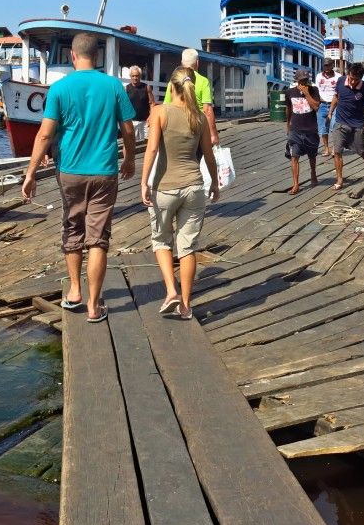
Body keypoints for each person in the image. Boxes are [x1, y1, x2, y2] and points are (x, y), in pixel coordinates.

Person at [21, 32, 137, 323]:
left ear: (72, 56)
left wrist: (31, 173)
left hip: (70, 171)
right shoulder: (113, 86)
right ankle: (95, 306)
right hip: (104, 170)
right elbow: (129, 129)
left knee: (73, 228)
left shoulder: (59, 89)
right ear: (96, 58)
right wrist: (130, 158)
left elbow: (46, 132)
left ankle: (74, 291)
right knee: (98, 238)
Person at [141, 67, 219, 320]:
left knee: (162, 241)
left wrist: (144, 182)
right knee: (188, 247)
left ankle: (171, 292)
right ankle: (186, 305)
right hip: (195, 187)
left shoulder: (160, 112)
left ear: (171, 87)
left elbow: (152, 151)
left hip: (165, 187)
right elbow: (208, 155)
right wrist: (215, 183)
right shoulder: (200, 117)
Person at [327, 64, 364, 190]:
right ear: (348, 74)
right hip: (340, 122)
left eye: (356, 79)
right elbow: (336, 97)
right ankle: (339, 179)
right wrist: (330, 112)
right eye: (351, 78)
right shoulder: (340, 81)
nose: (353, 81)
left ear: (361, 78)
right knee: (337, 151)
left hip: (357, 125)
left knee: (361, 150)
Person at [163, 48, 220, 146]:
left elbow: (166, 107)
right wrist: (213, 134)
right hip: (197, 128)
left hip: (176, 127)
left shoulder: (173, 81)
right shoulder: (203, 81)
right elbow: (207, 110)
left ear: (181, 63)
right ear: (197, 62)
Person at [284, 68, 321, 194]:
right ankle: (296, 184)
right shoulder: (289, 92)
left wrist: (306, 94)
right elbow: (289, 108)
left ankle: (313, 173)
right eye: (302, 80)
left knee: (312, 155)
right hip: (296, 129)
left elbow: (316, 107)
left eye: (306, 80)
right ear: (297, 80)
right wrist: (288, 124)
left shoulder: (314, 90)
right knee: (294, 157)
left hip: (311, 129)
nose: (304, 83)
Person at [317, 60, 342, 156]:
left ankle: (335, 148)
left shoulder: (338, 77)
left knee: (334, 127)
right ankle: (326, 148)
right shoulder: (318, 76)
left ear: (332, 65)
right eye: (324, 66)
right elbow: (318, 90)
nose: (326, 68)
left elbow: (340, 92)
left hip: (335, 105)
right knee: (323, 129)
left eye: (328, 66)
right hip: (322, 104)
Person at [124, 65, 155, 142]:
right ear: (130, 76)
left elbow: (152, 103)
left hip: (145, 122)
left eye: (137, 76)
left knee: (147, 143)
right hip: (132, 122)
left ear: (140, 76)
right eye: (133, 76)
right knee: (132, 144)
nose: (135, 78)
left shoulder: (147, 87)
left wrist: (151, 116)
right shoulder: (126, 89)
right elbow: (123, 106)